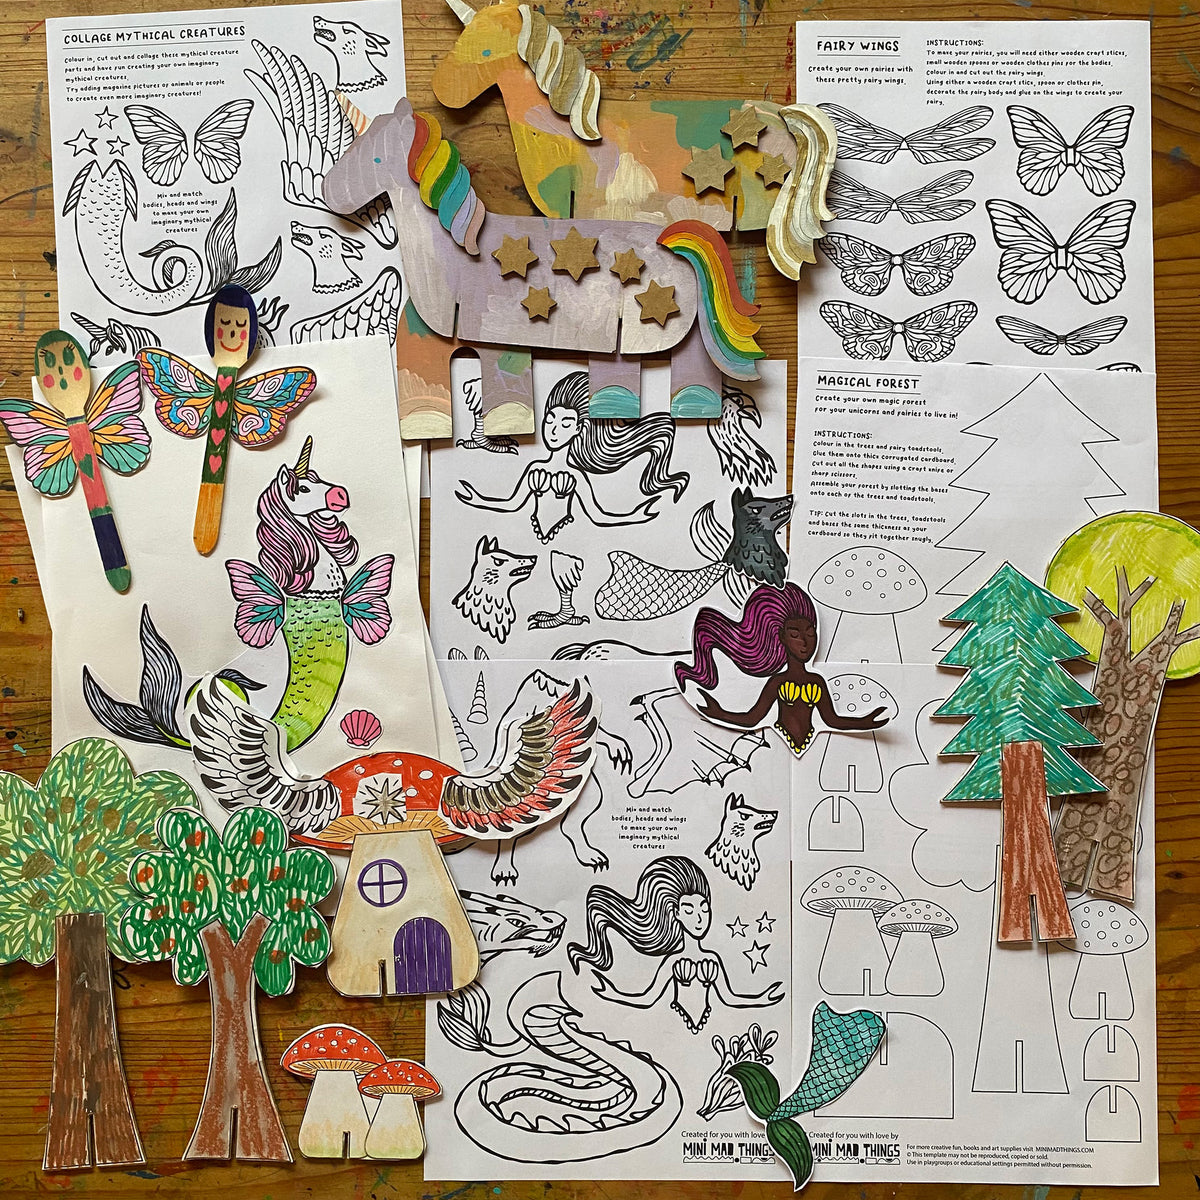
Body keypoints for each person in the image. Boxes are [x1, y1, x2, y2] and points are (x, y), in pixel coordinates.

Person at [454, 371, 687, 542]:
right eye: (550, 419)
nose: (554, 430)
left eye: (565, 423)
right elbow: (513, 504)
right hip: (531, 539)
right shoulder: (535, 468)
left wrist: (635, 516)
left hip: (569, 538)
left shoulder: (575, 476)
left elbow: (598, 516)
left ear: (577, 429)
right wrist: (478, 499)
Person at [567, 856, 782, 1034]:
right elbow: (648, 998)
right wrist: (613, 994)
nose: (699, 918)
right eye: (689, 910)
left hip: (706, 1032)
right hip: (672, 1028)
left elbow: (729, 998)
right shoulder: (674, 961)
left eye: (704, 908)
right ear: (676, 914)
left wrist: (762, 999)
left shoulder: (712, 959)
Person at [675, 582, 890, 757]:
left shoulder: (816, 681)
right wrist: (719, 713)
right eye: (795, 635)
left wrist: (864, 722)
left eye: (810, 633)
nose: (805, 642)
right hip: (773, 749)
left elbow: (830, 719)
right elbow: (753, 719)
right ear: (782, 637)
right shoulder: (777, 682)